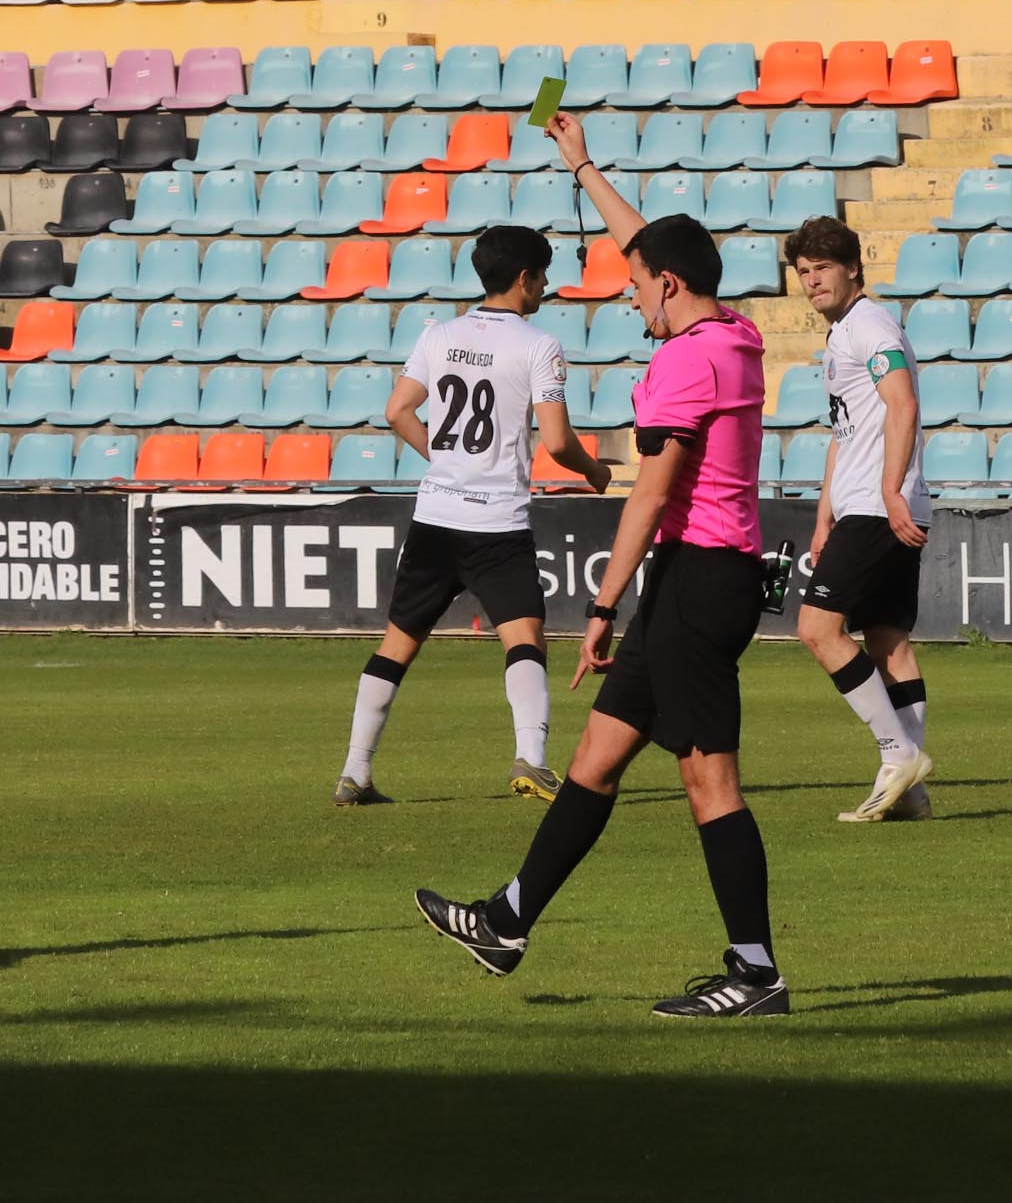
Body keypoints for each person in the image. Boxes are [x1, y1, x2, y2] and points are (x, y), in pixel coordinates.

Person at [415, 111, 789, 1019]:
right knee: (595, 753)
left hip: (696, 578)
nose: (628, 298)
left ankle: (755, 973)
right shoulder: (730, 332)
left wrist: (602, 602)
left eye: (634, 286)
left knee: (709, 778)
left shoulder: (678, 370)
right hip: (703, 576)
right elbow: (651, 246)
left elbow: (650, 497)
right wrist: (582, 168)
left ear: (667, 285)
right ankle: (506, 920)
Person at [335, 226, 612, 808]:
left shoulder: (440, 335)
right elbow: (557, 443)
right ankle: (531, 761)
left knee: (397, 643)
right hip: (496, 522)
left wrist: (446, 459)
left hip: (436, 516)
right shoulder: (538, 344)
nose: (544, 285)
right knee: (525, 637)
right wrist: (593, 471)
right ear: (523, 278)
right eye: (542, 274)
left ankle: (355, 772)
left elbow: (397, 410)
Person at [786, 218, 935, 822]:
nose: (812, 279)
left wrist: (889, 491)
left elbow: (903, 401)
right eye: (803, 271)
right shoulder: (845, 333)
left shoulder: (868, 324)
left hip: (880, 507)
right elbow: (843, 436)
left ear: (852, 267)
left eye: (822, 266)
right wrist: (823, 519)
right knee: (888, 642)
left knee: (818, 629)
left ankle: (898, 753)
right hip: (869, 505)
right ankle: (913, 791)